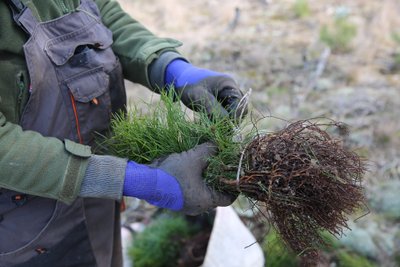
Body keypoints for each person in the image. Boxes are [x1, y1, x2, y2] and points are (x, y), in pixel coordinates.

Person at [0, 0, 246, 266]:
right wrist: (142, 182)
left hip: (99, 203)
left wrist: (167, 66)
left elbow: (98, 12)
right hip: (29, 239)